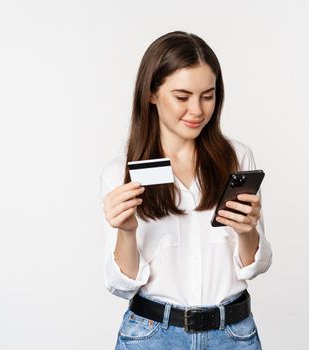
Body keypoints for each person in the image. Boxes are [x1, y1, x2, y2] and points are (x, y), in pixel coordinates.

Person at [100, 31, 272, 349]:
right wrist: (126, 230)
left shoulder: (237, 158)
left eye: (208, 95)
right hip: (152, 336)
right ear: (151, 94)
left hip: (231, 335)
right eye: (182, 97)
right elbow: (121, 285)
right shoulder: (119, 172)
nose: (197, 110)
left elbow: (253, 266)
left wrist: (248, 231)